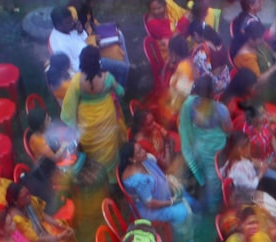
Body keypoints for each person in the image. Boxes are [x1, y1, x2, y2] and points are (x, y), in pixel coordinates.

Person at [60, 46, 126, 183]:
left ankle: (97, 178)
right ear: (98, 61)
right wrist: (114, 90)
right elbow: (121, 92)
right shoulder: (108, 78)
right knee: (109, 148)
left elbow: (68, 109)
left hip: (87, 124)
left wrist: (73, 131)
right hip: (107, 118)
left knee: (93, 153)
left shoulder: (77, 81)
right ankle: (113, 179)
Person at [179, 75, 233, 212]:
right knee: (214, 183)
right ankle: (212, 211)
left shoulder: (190, 105)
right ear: (213, 92)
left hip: (198, 150)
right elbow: (228, 131)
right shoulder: (220, 110)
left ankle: (201, 195)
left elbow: (185, 127)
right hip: (213, 154)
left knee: (205, 178)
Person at [48, 5, 129, 86]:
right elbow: (73, 67)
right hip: (88, 67)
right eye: (69, 22)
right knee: (123, 69)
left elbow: (84, 39)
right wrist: (93, 63)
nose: (73, 23)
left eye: (72, 20)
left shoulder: (68, 28)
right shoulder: (59, 44)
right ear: (59, 25)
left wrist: (81, 31)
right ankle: (121, 94)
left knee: (123, 68)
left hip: (93, 55)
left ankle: (120, 89)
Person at [119, 138, 191, 228]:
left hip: (161, 196)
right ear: (132, 159)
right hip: (149, 210)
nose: (144, 151)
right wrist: (170, 202)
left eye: (141, 149)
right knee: (182, 213)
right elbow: (149, 203)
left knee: (185, 195)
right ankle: (179, 236)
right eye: (139, 152)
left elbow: (163, 166)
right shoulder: (138, 179)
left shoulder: (144, 160)